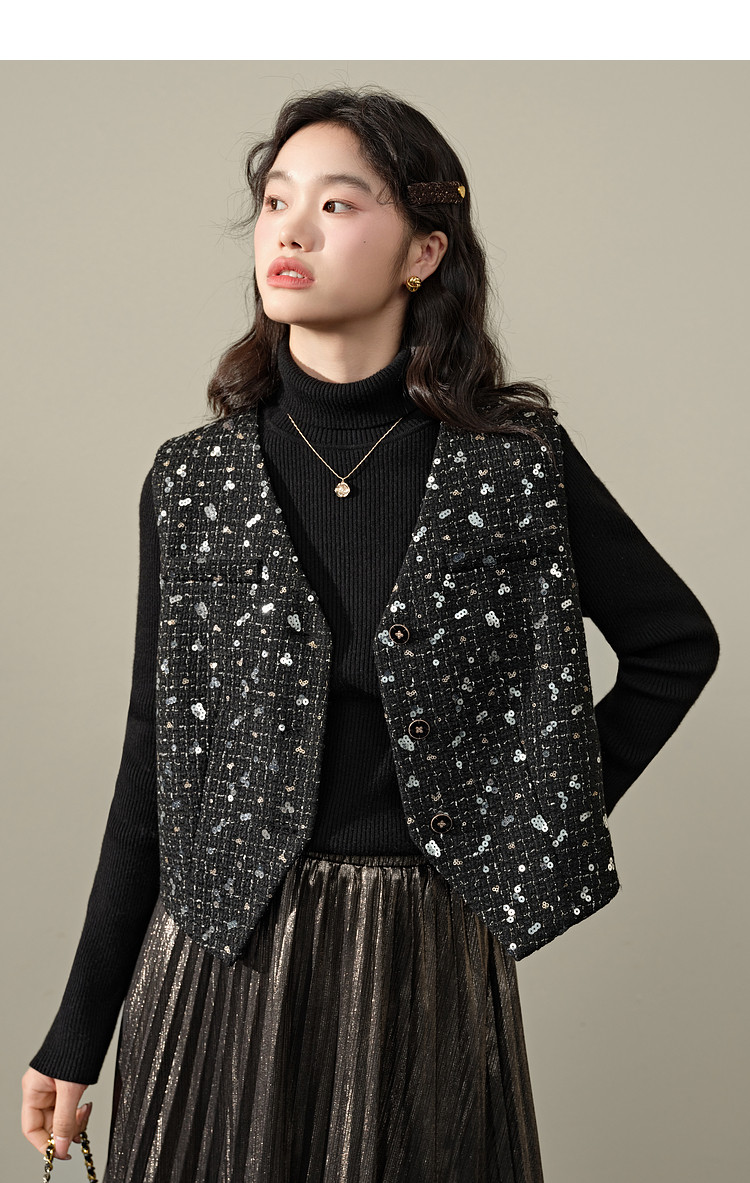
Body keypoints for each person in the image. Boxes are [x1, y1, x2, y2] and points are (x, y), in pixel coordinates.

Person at [21, 85, 720, 1182]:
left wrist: (522, 813)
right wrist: (76, 1031)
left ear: (423, 252)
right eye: (275, 201)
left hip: (421, 964)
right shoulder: (193, 482)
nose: (290, 230)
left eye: (337, 204)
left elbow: (677, 644)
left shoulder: (511, 466)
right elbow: (153, 757)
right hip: (219, 962)